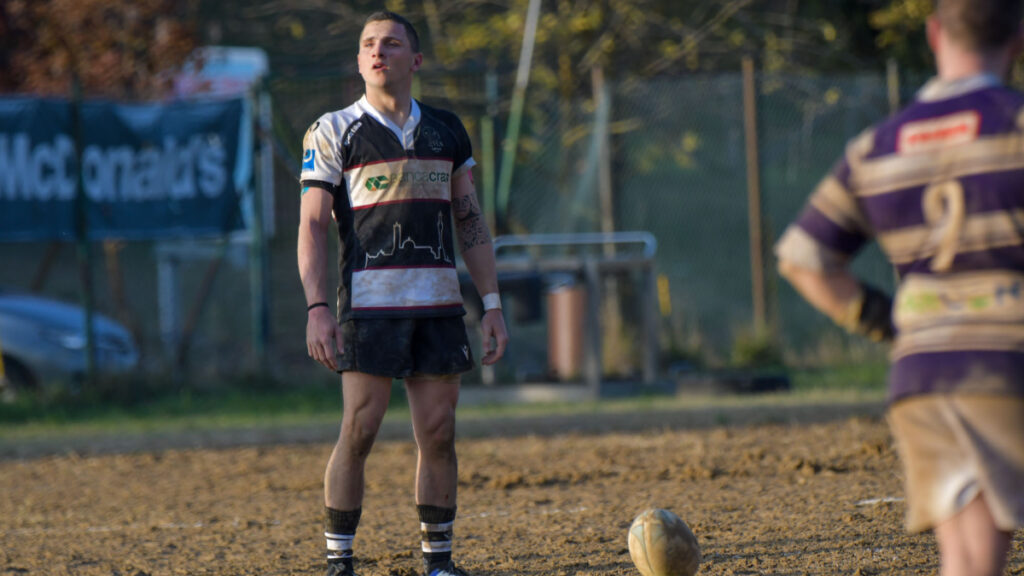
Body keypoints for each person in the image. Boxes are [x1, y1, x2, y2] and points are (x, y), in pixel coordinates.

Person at [775, 1, 1024, 574]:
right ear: (1017, 41)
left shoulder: (879, 145)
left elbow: (802, 258)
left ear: (934, 34)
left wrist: (890, 322)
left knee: (961, 559)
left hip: (919, 373)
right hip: (1000, 366)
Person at [297, 11, 508, 576]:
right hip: (369, 309)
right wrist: (318, 309)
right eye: (368, 43)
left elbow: (470, 222)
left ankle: (438, 564)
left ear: (415, 60)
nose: (377, 51)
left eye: (391, 43)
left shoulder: (446, 130)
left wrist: (491, 306)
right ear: (358, 58)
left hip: (438, 306)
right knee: (359, 429)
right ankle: (339, 562)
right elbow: (313, 227)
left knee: (439, 431)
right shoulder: (332, 130)